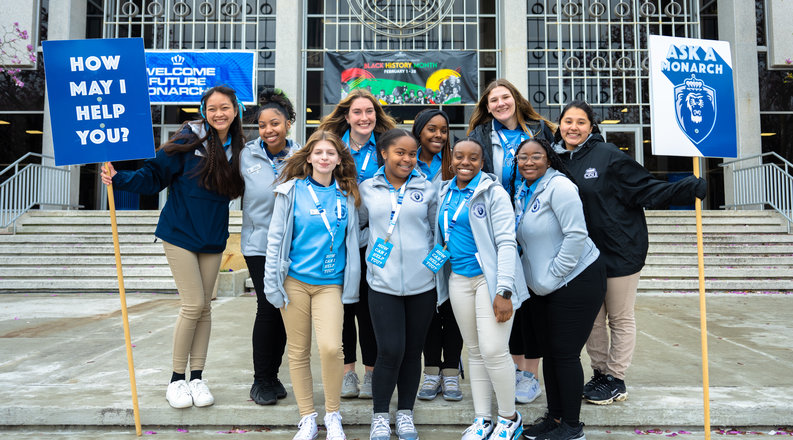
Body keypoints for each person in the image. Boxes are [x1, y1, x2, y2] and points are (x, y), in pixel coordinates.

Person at [552, 100, 707, 405]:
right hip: (583, 255)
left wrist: (685, 188)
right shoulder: (559, 160)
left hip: (620, 250)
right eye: (567, 121)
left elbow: (645, 188)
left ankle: (616, 378)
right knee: (592, 320)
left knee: (619, 318)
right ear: (559, 125)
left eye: (580, 122)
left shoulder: (607, 156)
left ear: (591, 127)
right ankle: (599, 374)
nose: (573, 127)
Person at [100, 85, 245, 409]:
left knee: (206, 306)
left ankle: (197, 377)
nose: (219, 113)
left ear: (235, 110)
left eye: (225, 108)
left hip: (212, 237)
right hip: (179, 233)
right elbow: (153, 176)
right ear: (203, 112)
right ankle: (176, 380)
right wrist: (118, 177)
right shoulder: (187, 141)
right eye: (212, 109)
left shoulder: (240, 147)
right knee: (193, 305)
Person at [263, 129, 361, 440]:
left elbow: (353, 240)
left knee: (332, 348)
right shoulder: (290, 191)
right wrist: (272, 285)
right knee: (298, 350)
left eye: (330, 153)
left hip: (330, 283)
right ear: (309, 157)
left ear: (338, 160)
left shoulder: (347, 195)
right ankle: (307, 416)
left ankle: (333, 414)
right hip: (294, 282)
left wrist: (353, 285)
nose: (324, 157)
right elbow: (276, 239)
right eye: (318, 152)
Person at [467, 78, 555, 404]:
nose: (500, 103)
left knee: (534, 303)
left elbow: (555, 171)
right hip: (498, 228)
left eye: (505, 97)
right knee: (509, 297)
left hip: (534, 223)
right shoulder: (480, 136)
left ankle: (531, 372)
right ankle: (515, 368)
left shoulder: (539, 131)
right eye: (494, 100)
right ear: (487, 107)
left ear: (515, 99)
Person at [435, 138, 529, 440]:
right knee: (474, 351)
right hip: (459, 280)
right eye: (459, 157)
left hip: (491, 281)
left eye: (472, 158)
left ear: (482, 161)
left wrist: (504, 291)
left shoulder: (494, 193)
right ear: (451, 161)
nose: (465, 162)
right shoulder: (445, 192)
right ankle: (482, 420)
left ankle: (509, 418)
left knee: (493, 350)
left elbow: (505, 243)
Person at [513, 137, 606, 440]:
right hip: (546, 288)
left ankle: (572, 426)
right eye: (522, 157)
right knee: (551, 353)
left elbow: (576, 236)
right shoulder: (524, 191)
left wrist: (553, 276)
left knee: (564, 354)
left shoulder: (561, 187)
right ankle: (555, 418)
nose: (528, 162)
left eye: (536, 156)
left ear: (549, 159)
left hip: (576, 280)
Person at [359, 128, 439, 440]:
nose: (407, 159)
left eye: (411, 153)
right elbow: (359, 226)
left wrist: (428, 258)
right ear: (384, 153)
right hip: (383, 284)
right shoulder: (368, 188)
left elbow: (435, 229)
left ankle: (405, 413)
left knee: (412, 350)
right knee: (389, 349)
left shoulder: (427, 187)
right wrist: (375, 251)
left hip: (423, 285)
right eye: (400, 152)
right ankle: (380, 415)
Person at [318, 89, 397, 400]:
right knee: (344, 307)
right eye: (357, 112)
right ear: (347, 116)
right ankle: (348, 372)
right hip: (337, 237)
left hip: (375, 239)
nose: (364, 118)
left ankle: (372, 372)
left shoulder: (387, 145)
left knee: (370, 308)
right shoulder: (333, 146)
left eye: (369, 111)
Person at [240, 89, 300, 406]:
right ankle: (260, 380)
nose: (268, 131)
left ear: (288, 123)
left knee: (282, 310)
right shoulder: (246, 155)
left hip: (293, 248)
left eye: (275, 123)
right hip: (258, 245)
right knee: (268, 307)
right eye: (262, 125)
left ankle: (273, 376)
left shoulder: (303, 156)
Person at [410, 109, 463, 402]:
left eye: (443, 130)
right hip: (419, 251)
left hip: (452, 252)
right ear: (420, 131)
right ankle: (431, 372)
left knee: (453, 312)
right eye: (432, 129)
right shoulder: (407, 160)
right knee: (428, 313)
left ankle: (451, 372)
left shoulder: (455, 163)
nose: (438, 136)